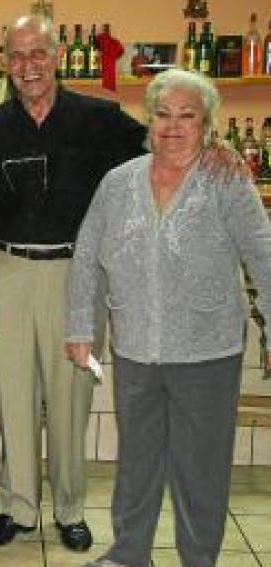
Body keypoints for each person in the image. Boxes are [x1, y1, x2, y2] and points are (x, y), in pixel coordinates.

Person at [0, 14, 147, 551]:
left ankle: (69, 509)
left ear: (58, 56)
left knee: (70, 399)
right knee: (12, 398)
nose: (27, 66)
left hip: (76, 275)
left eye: (37, 53)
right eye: (16, 56)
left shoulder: (102, 120)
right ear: (5, 65)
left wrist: (212, 153)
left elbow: (163, 149)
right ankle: (18, 508)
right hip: (6, 274)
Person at [67, 69, 271, 567]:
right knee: (136, 463)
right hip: (136, 348)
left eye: (187, 116)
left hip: (208, 351)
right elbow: (86, 255)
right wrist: (80, 327)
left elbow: (263, 254)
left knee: (200, 470)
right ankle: (129, 553)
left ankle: (198, 559)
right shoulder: (119, 182)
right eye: (163, 114)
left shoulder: (226, 177)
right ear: (149, 119)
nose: (173, 126)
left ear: (207, 124)